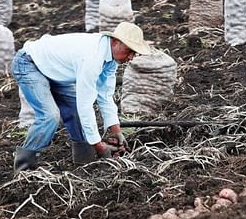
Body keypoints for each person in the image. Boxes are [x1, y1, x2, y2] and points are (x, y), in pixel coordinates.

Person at [10, 22, 153, 172]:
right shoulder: (92, 57)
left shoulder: (111, 59)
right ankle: (23, 168)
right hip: (30, 64)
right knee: (50, 116)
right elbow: (85, 104)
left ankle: (84, 162)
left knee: (75, 113)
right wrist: (99, 146)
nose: (131, 57)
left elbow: (105, 95)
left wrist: (116, 131)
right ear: (116, 42)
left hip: (55, 71)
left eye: (134, 53)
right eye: (129, 51)